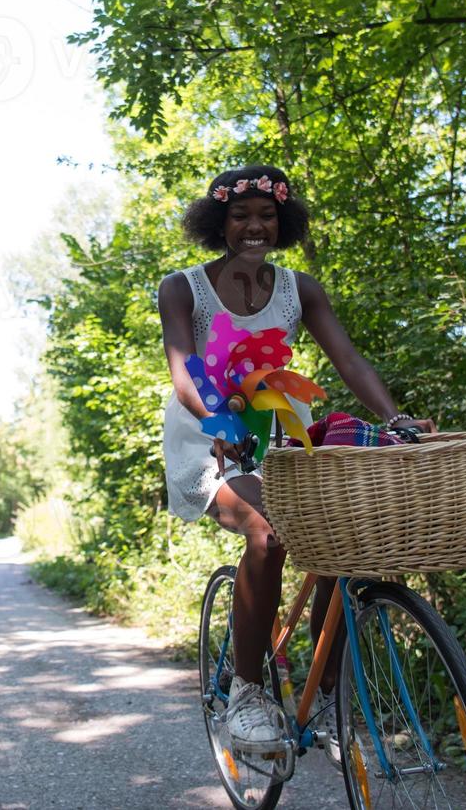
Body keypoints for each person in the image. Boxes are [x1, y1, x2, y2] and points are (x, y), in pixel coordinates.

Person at [158, 165, 436, 754]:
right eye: (241, 215)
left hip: (280, 436)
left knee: (342, 538)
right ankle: (248, 694)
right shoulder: (182, 287)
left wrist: (394, 417)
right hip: (208, 438)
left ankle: (331, 696)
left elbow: (349, 361)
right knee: (267, 535)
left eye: (267, 215)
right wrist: (220, 422)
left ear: (283, 223)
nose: (254, 226)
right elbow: (184, 370)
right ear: (220, 224)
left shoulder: (299, 289)